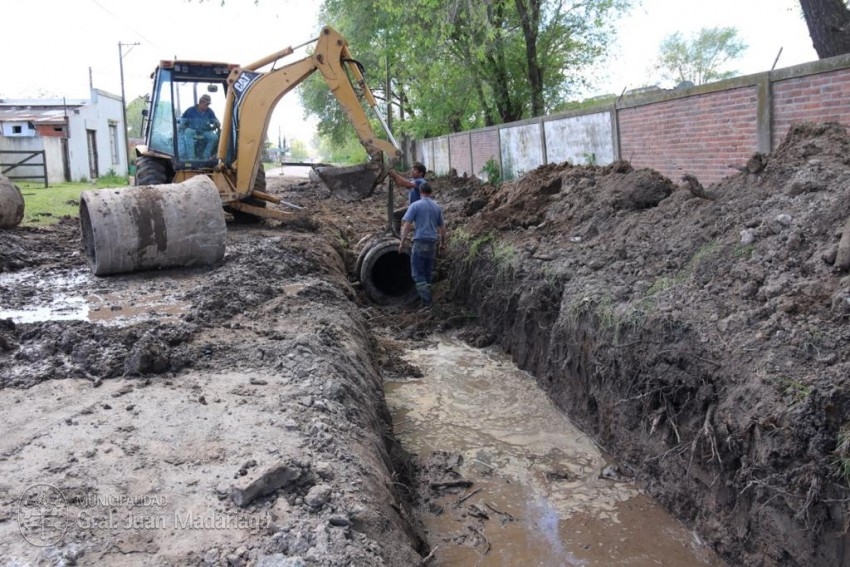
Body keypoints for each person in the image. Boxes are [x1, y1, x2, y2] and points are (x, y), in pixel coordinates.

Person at [398, 182, 446, 309]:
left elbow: (407, 225)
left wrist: (402, 242)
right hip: (432, 243)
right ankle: (426, 299)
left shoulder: (415, 205)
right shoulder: (436, 207)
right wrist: (442, 242)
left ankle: (427, 302)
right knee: (427, 272)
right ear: (430, 192)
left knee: (417, 273)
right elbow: (442, 227)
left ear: (420, 192)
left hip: (419, 241)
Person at [388, 163, 428, 234]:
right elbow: (400, 183)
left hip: (418, 208)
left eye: (415, 170)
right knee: (397, 215)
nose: (412, 171)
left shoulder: (421, 181)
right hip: (414, 207)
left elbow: (405, 183)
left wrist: (394, 174)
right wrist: (394, 176)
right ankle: (397, 235)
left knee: (396, 215)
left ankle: (396, 235)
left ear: (421, 173)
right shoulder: (415, 181)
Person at [180, 94, 220, 160]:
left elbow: (214, 120)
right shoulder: (190, 110)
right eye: (206, 104)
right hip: (193, 131)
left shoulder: (210, 112)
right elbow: (182, 120)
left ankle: (206, 156)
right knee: (188, 132)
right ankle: (191, 157)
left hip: (205, 132)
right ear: (201, 102)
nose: (207, 106)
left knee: (214, 137)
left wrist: (217, 122)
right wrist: (181, 125)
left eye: (208, 105)